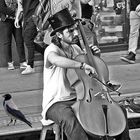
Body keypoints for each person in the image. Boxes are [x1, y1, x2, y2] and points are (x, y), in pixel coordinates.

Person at [41, 8, 130, 140]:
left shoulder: (76, 49)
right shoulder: (52, 50)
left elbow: (89, 76)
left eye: (75, 29)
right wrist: (81, 64)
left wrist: (94, 57)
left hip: (79, 98)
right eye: (70, 31)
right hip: (56, 102)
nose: (76, 33)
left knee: (120, 111)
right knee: (69, 118)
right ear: (59, 35)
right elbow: (56, 60)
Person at [15, 0, 46, 74]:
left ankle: (30, 66)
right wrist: (17, 18)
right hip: (25, 18)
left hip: (34, 17)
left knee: (28, 39)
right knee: (28, 41)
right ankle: (46, 51)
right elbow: (20, 6)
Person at [0, 0, 27, 70]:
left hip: (17, 19)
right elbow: (2, 8)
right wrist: (15, 13)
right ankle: (10, 63)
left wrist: (18, 15)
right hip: (5, 20)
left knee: (19, 41)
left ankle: (23, 61)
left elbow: (20, 5)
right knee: (7, 42)